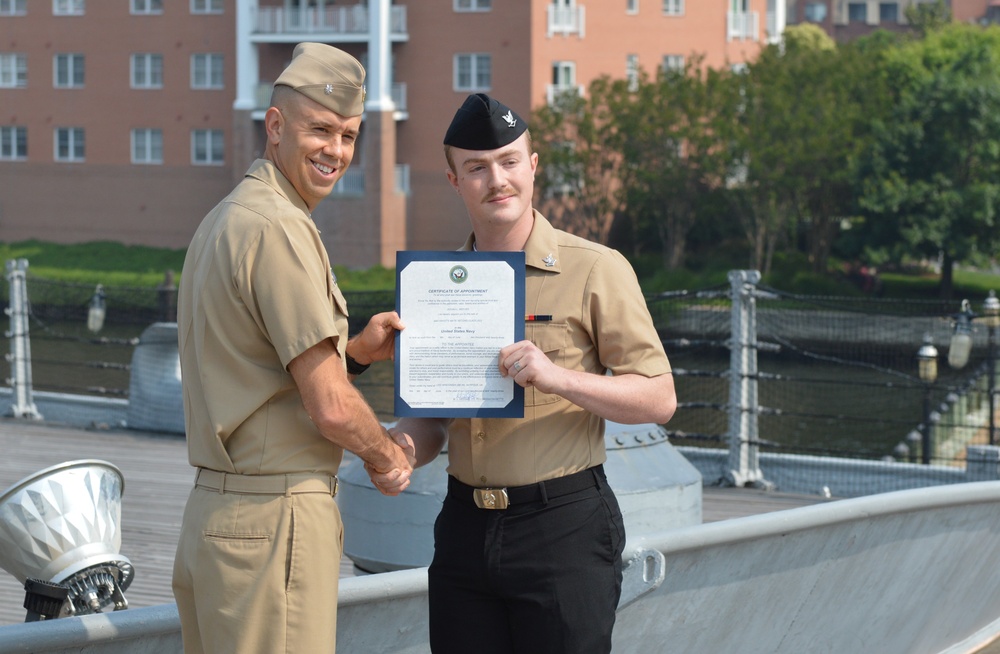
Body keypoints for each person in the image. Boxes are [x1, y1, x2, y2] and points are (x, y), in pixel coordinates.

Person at [385, 93, 677, 654]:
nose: (497, 180)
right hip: (464, 529)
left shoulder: (597, 268)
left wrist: (558, 377)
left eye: (510, 161)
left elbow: (659, 397)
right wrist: (399, 447)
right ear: (454, 180)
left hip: (562, 528)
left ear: (534, 165)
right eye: (476, 167)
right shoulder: (435, 285)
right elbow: (436, 422)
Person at [172, 42, 413, 654]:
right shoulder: (281, 227)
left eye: (349, 136)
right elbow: (329, 407)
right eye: (322, 130)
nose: (336, 150)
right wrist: (387, 457)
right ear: (275, 126)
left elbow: (255, 371)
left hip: (215, 519)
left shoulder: (226, 218)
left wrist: (352, 353)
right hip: (272, 522)